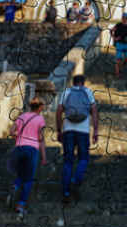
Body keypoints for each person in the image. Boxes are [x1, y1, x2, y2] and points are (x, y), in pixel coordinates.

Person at [55, 73, 98, 203]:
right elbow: (94, 112)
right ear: (83, 83)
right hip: (83, 132)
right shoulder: (88, 92)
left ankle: (66, 192)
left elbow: (58, 112)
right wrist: (96, 131)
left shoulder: (66, 92)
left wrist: (58, 130)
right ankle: (75, 180)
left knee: (68, 161)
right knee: (83, 159)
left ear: (73, 83)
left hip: (68, 130)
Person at [7, 98, 47, 218]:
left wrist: (18, 140)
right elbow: (41, 138)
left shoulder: (22, 116)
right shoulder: (40, 119)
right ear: (39, 108)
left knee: (20, 175)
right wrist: (44, 156)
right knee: (29, 179)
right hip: (32, 149)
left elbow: (12, 131)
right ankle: (21, 205)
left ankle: (15, 186)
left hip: (19, 148)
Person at [111, 11, 127, 80]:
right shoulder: (118, 25)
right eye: (123, 17)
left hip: (125, 44)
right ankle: (118, 74)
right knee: (118, 59)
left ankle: (121, 68)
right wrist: (114, 38)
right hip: (119, 43)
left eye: (125, 18)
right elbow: (111, 30)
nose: (124, 19)